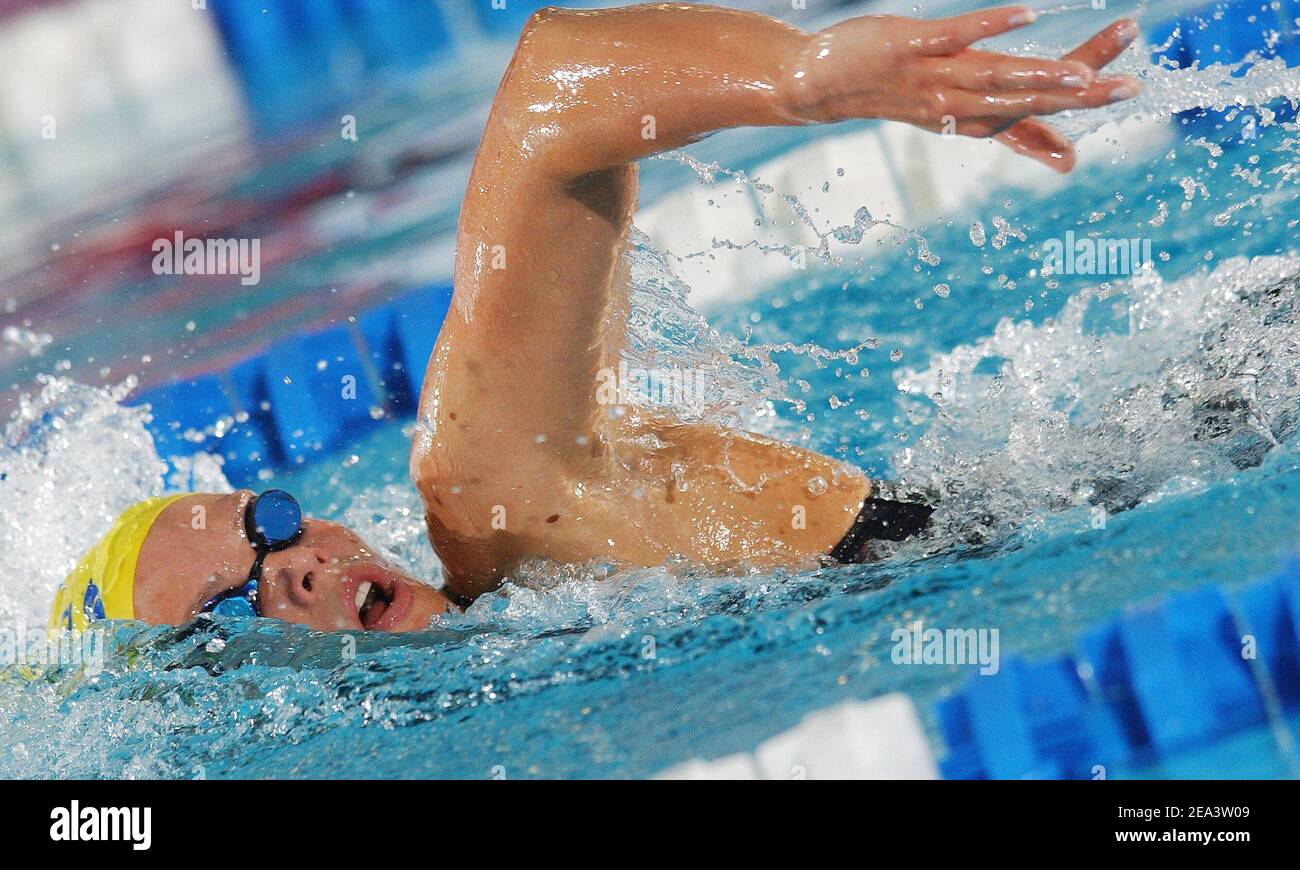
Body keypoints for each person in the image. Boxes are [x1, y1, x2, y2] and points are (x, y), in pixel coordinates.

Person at [49, 3, 1141, 633]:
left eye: (271, 526)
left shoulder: (508, 511)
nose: (286, 568)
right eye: (229, 608)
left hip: (1125, 495)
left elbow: (550, 88)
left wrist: (807, 82)